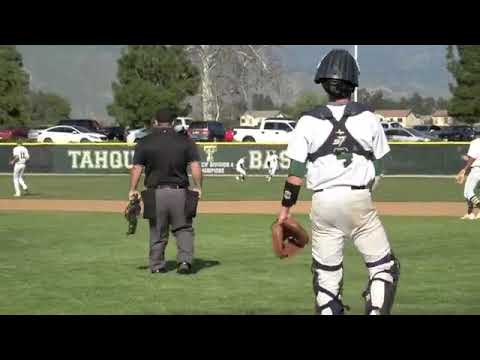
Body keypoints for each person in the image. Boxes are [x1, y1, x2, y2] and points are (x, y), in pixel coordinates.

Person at [277, 49, 400, 315]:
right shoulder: (368, 117)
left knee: (327, 278)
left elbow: (296, 173)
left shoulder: (307, 121)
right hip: (358, 200)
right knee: (383, 267)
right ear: (353, 82)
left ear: (323, 82)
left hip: (323, 202)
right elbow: (381, 166)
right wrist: (365, 190)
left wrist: (285, 211)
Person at [129, 110, 203, 275]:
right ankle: (184, 261)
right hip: (180, 192)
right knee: (183, 228)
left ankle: (156, 265)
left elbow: (137, 168)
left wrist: (133, 189)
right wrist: (198, 186)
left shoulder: (145, 142)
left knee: (157, 230)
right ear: (173, 122)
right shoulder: (185, 141)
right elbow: (196, 166)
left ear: (155, 122)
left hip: (155, 194)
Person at [456, 138, 480, 220]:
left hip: (477, 169)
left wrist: (465, 169)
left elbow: (473, 158)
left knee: (468, 192)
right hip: (477, 168)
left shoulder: (475, 142)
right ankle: (470, 213)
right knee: (466, 193)